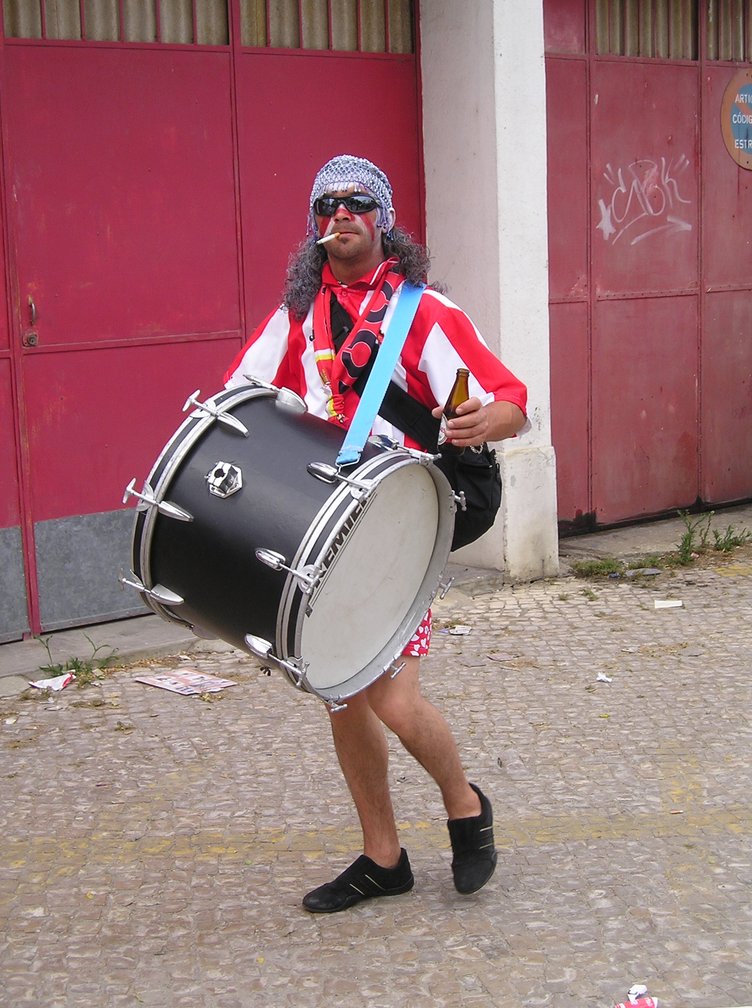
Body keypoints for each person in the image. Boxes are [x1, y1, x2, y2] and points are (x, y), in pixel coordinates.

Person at [224, 154, 528, 913]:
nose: (341, 214)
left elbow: (509, 402)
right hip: (322, 526)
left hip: (401, 526)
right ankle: (383, 857)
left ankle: (466, 804)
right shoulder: (297, 317)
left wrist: (485, 419)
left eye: (358, 202)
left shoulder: (424, 314)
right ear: (314, 227)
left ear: (383, 219)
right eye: (326, 204)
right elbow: (239, 397)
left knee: (391, 697)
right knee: (342, 697)